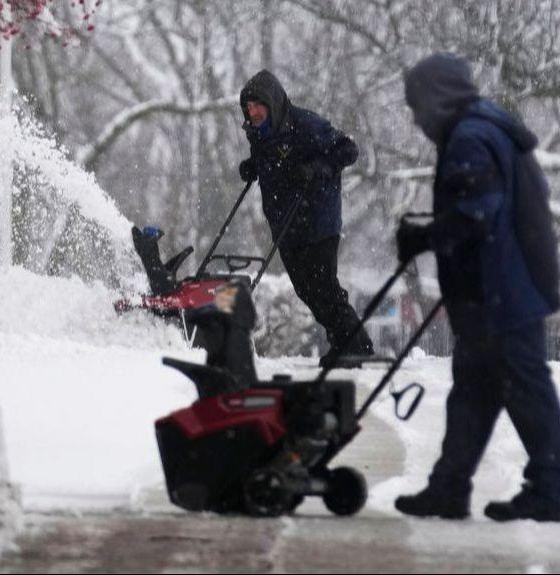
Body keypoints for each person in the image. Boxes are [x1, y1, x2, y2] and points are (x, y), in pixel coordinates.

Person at [394, 52, 560, 522]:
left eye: (417, 106)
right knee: (473, 392)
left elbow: (478, 211)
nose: (416, 118)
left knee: (525, 390)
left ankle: (553, 487)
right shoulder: (485, 126)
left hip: (501, 292)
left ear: (436, 100)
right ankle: (449, 487)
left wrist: (426, 236)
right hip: (499, 289)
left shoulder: (469, 137)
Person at [239, 69, 374, 368]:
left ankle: (357, 344)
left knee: (323, 286)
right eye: (248, 107)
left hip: (317, 222)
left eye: (258, 105)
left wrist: (317, 169)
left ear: (272, 103)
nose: (253, 112)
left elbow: (347, 149)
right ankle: (343, 341)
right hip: (286, 227)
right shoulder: (260, 134)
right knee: (306, 290)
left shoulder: (305, 125)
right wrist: (253, 166)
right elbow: (274, 164)